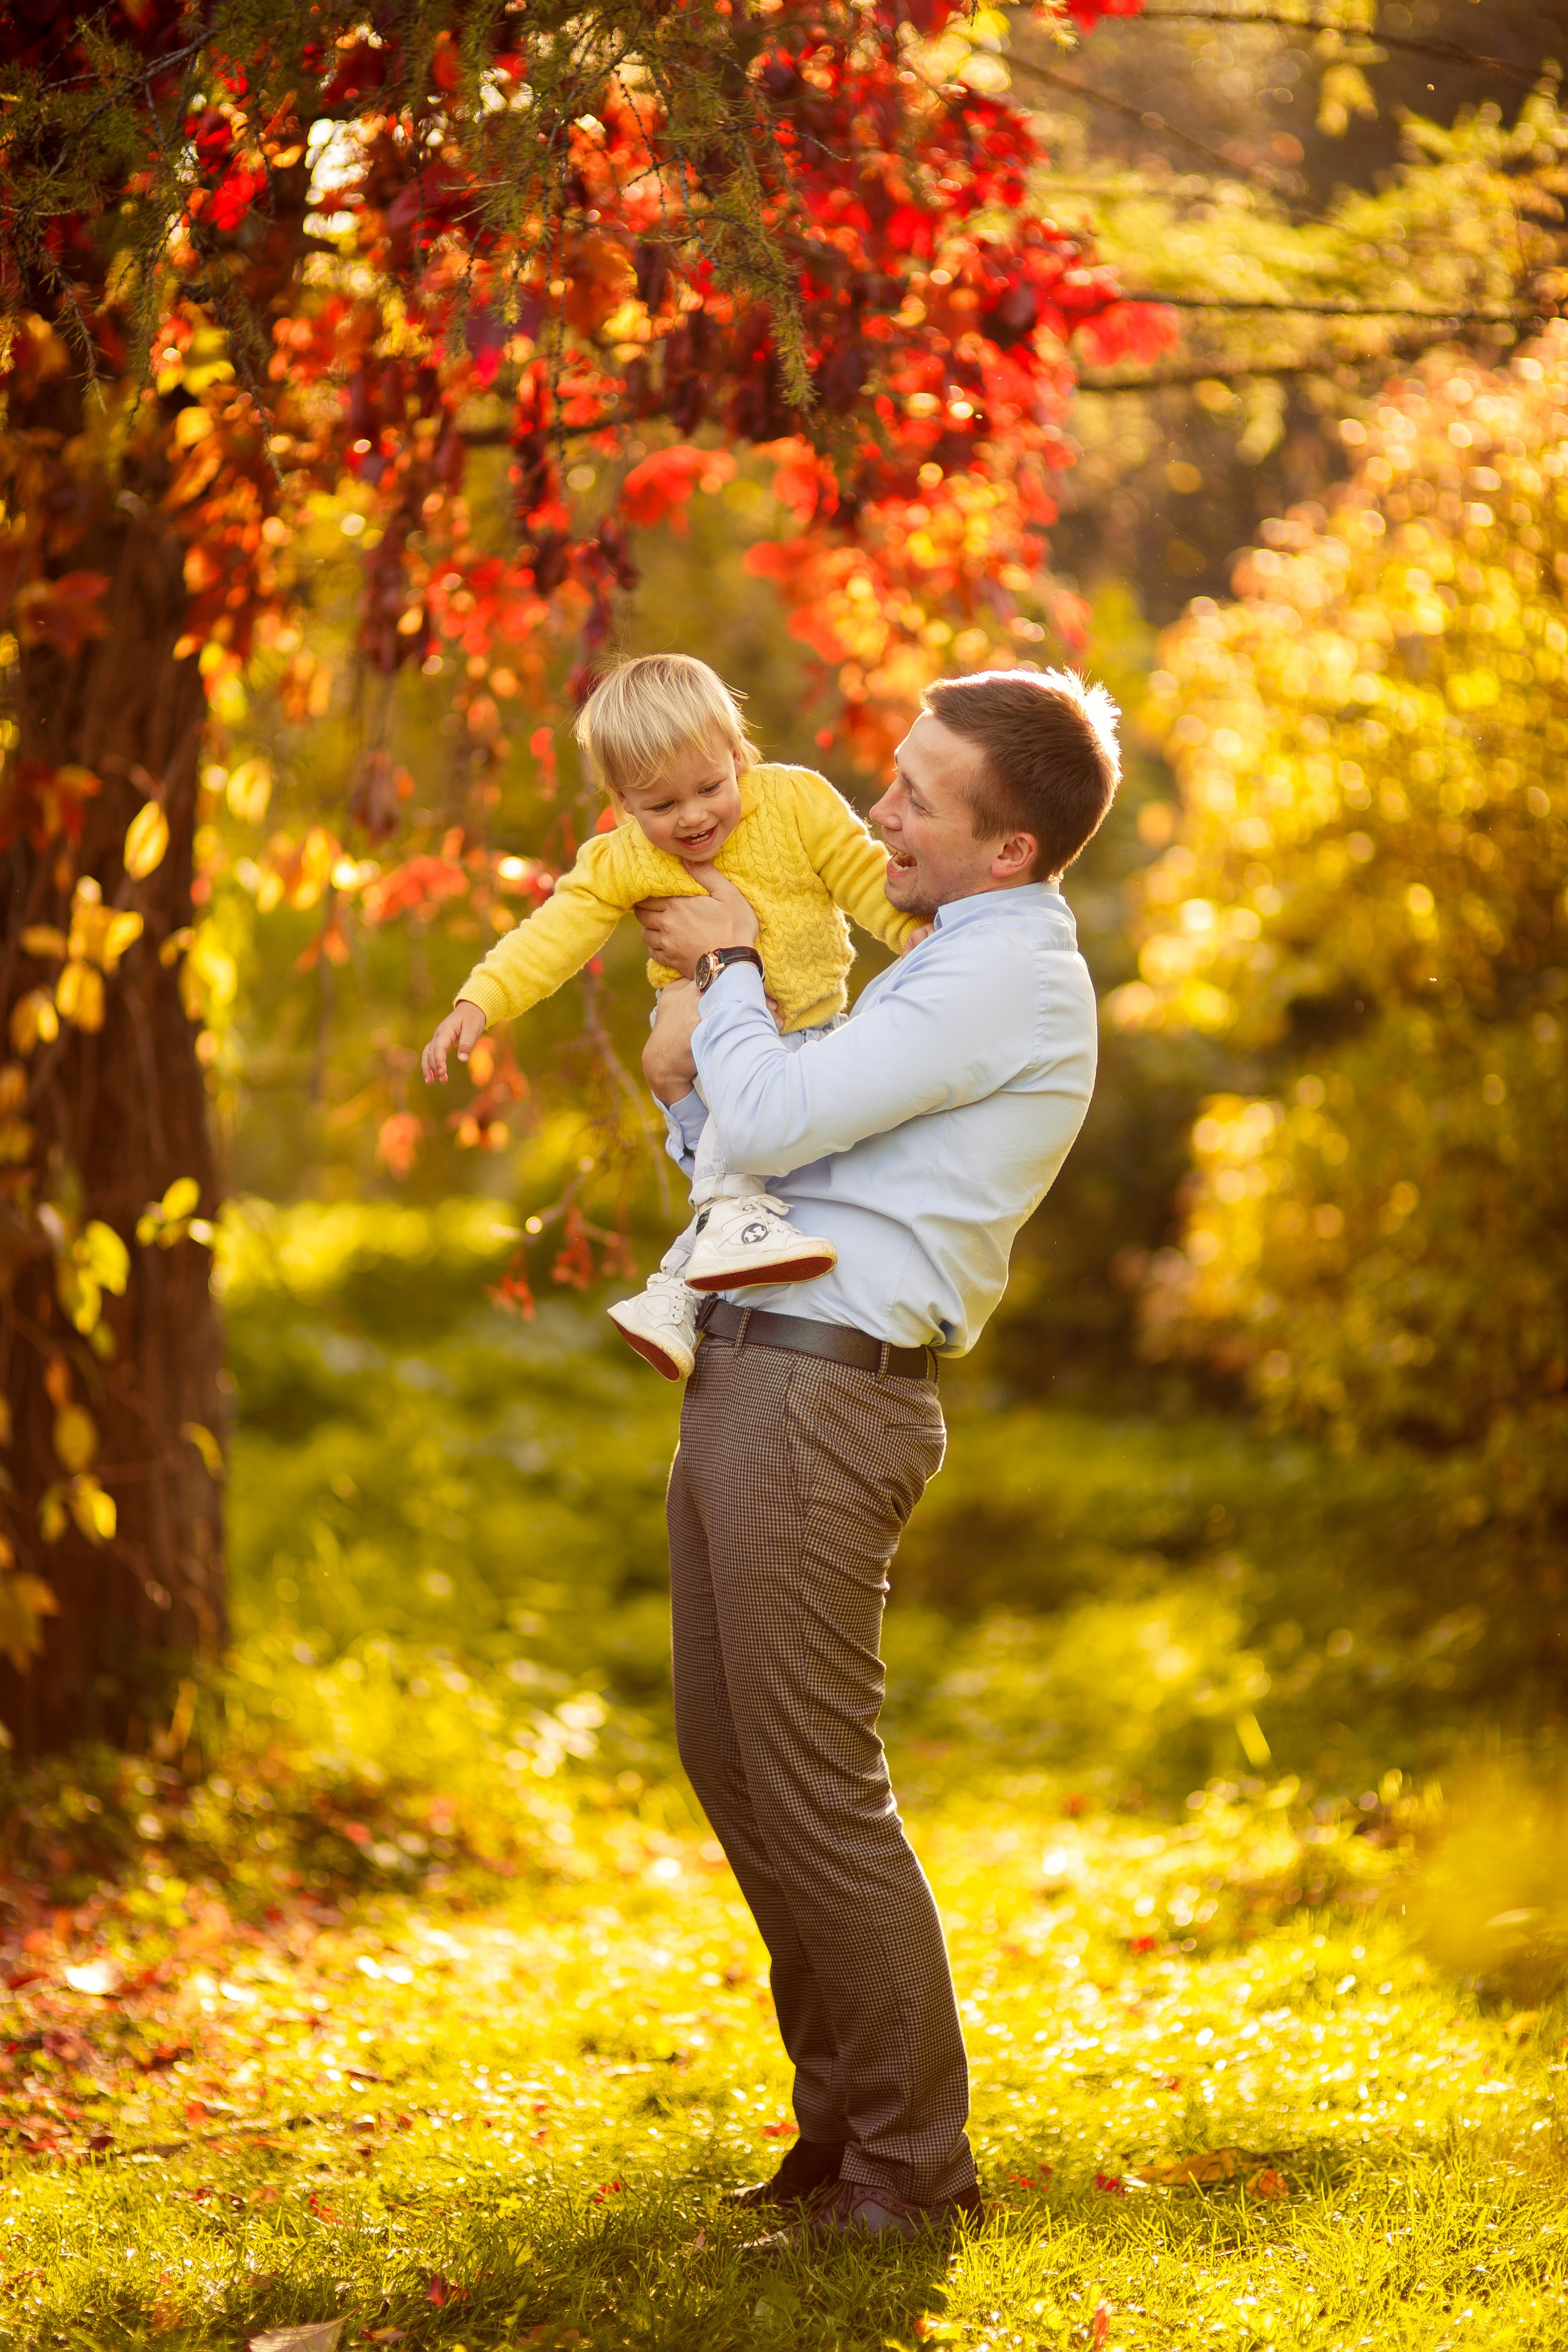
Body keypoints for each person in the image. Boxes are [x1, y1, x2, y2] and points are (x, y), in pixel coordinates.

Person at [633, 666, 1119, 2250]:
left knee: (816, 1786)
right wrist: (687, 1094)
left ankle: (915, 2174)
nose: (877, 810)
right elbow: (757, 1152)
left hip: (825, 1396)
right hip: (754, 1362)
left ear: (1008, 846)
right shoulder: (935, 970)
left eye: (917, 795)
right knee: (734, 1758)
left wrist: (724, 970)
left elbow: (770, 1120)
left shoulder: (1007, 981)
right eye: (890, 774)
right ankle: (839, 2130)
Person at [421, 654, 925, 1376]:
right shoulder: (623, 858)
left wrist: (918, 937)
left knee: (780, 1188)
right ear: (622, 801)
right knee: (701, 1049)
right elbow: (555, 931)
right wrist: (482, 1000)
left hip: (808, 1035)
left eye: (709, 789)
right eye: (659, 807)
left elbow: (861, 876)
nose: (691, 817)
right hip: (706, 1035)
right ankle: (728, 1222)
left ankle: (670, 1299)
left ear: (735, 753)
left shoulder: (794, 804)